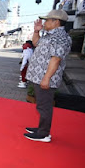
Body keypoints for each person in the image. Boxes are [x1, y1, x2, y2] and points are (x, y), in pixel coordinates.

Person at [24, 9, 72, 142]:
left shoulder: (60, 37)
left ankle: (44, 134)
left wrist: (46, 78)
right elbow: (35, 43)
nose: (44, 22)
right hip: (39, 76)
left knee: (44, 106)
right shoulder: (49, 35)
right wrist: (36, 31)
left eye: (47, 20)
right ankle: (41, 128)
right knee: (41, 104)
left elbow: (56, 59)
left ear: (56, 22)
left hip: (46, 78)